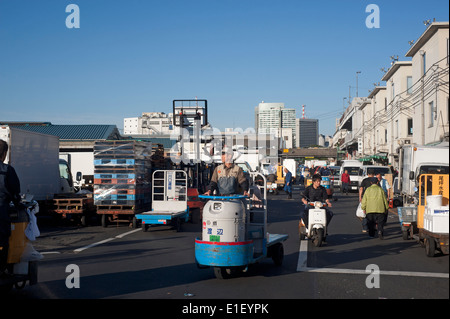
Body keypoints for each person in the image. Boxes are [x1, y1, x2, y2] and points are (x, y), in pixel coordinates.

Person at [0, 140, 21, 277]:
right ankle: (2, 269)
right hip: (1, 208)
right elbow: (15, 191)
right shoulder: (7, 170)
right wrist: (17, 202)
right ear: (4, 153)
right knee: (2, 239)